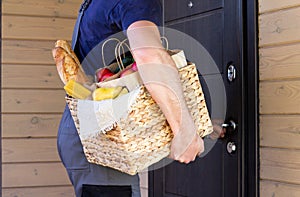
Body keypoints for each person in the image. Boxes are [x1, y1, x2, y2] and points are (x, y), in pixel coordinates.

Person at [57, 0, 223, 196]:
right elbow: (148, 55)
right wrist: (184, 130)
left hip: (92, 133)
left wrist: (197, 123)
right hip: (102, 141)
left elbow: (136, 91)